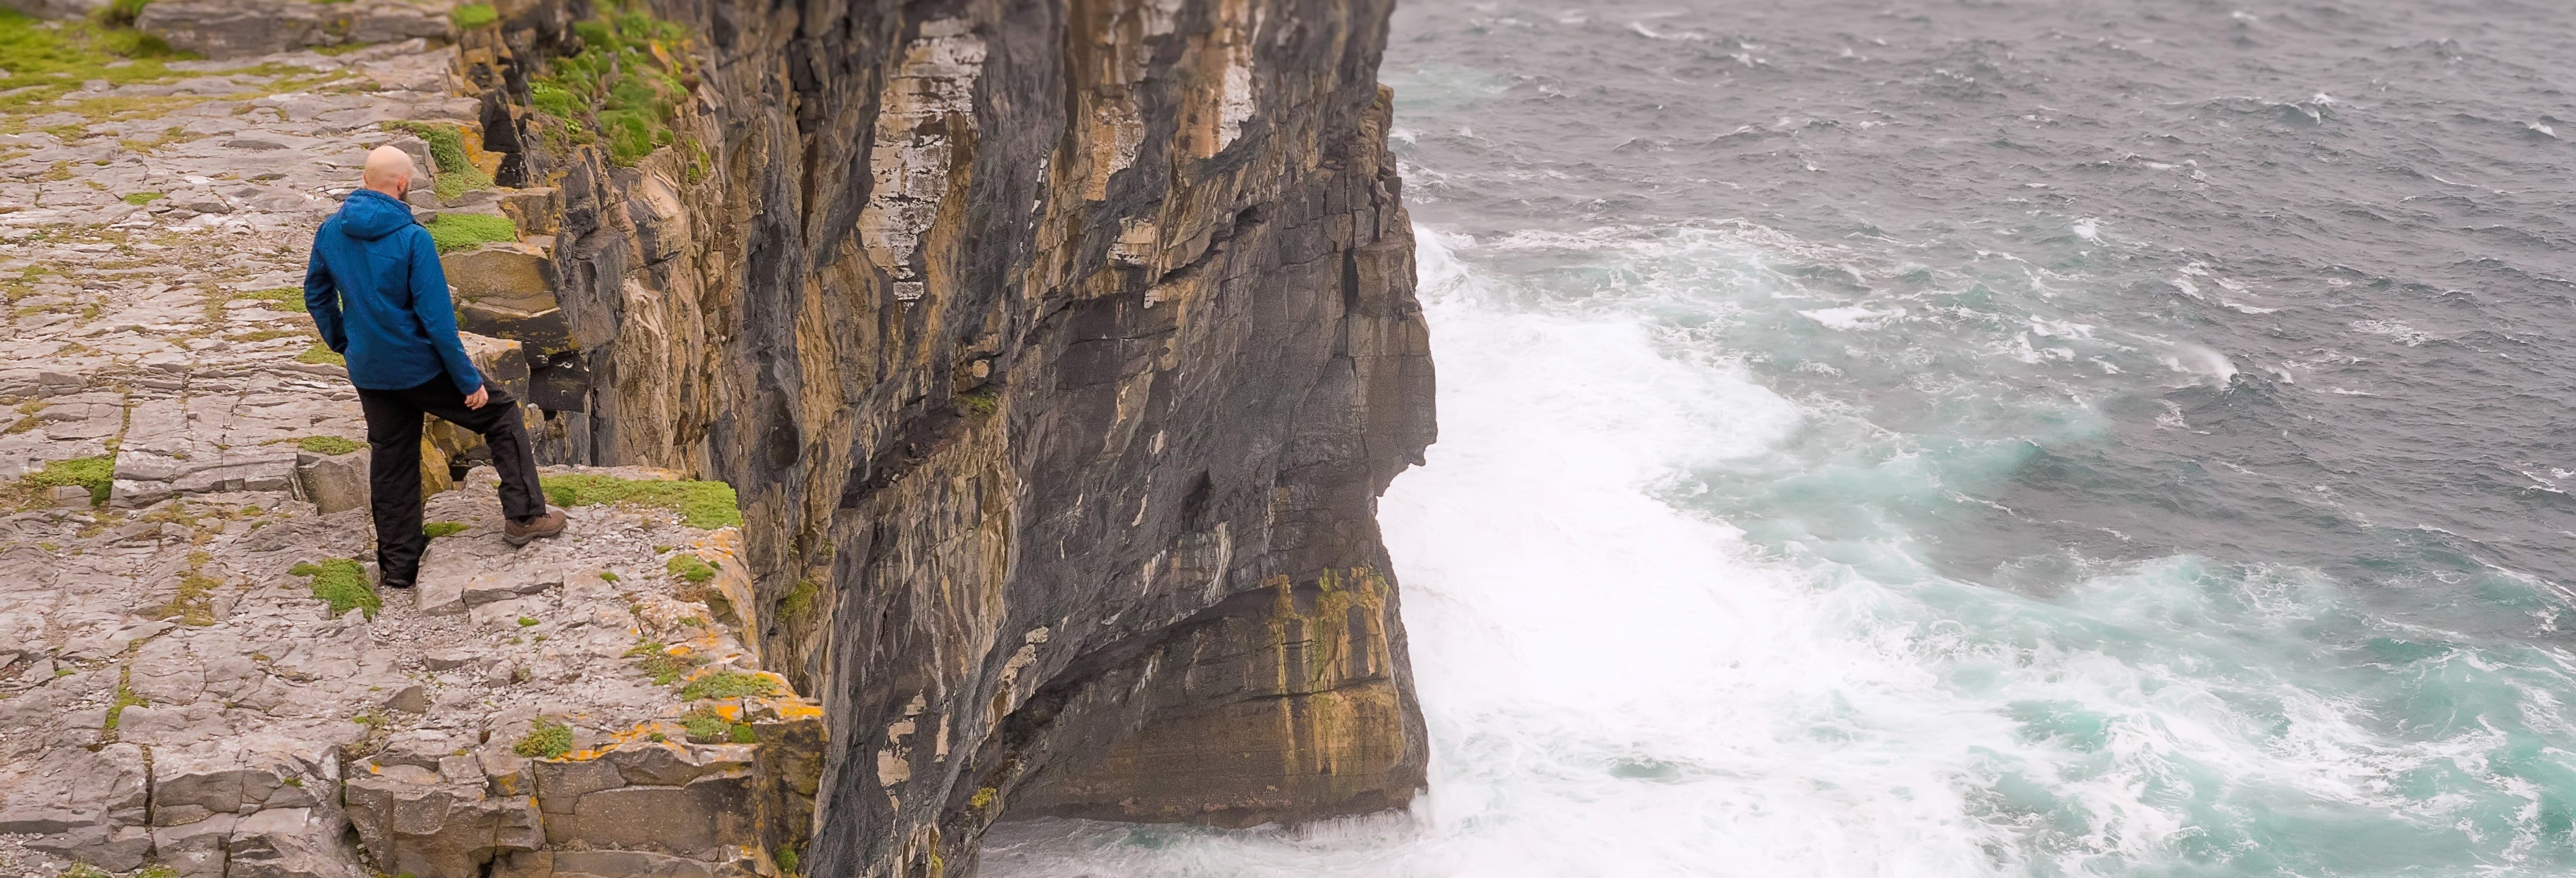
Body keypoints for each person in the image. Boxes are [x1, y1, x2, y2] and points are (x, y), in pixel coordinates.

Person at [303, 145, 566, 589]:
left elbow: (317, 294)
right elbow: (437, 322)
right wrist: (467, 380)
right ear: (402, 184)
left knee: (392, 460)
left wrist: (344, 342)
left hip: (370, 370)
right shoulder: (411, 238)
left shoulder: (331, 231)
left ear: (367, 180)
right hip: (419, 367)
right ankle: (524, 517)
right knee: (500, 414)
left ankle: (399, 567)